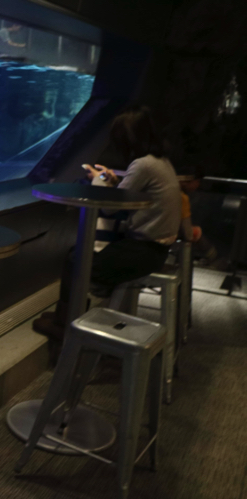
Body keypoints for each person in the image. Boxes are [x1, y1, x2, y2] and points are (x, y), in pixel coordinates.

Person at [34, 105, 182, 341]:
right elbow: (124, 197)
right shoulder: (161, 161)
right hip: (156, 250)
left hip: (143, 251)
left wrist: (98, 180)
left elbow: (109, 207)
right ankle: (71, 316)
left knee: (77, 260)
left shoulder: (143, 164)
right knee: (79, 256)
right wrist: (109, 181)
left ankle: (66, 325)